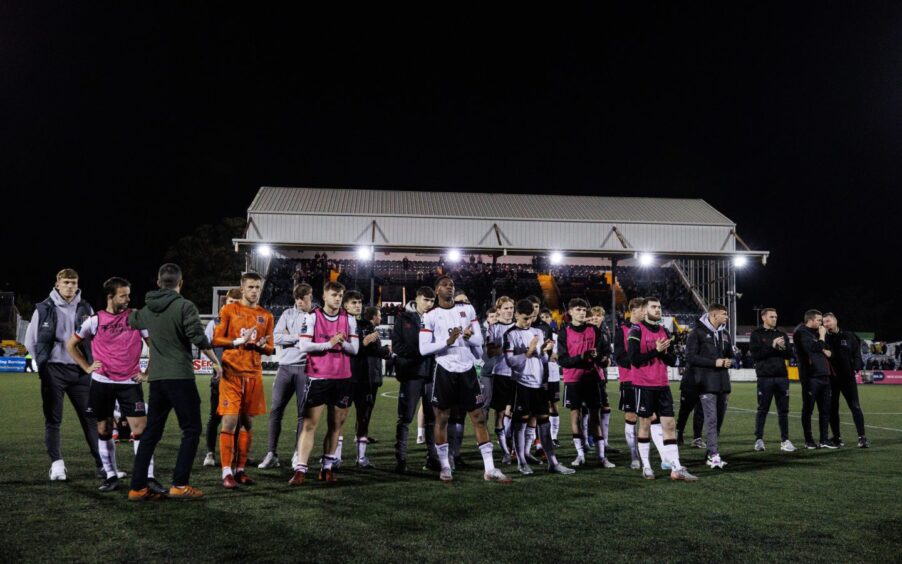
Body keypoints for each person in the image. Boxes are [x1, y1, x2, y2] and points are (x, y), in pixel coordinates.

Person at [127, 263, 222, 500]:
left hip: (158, 379)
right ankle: (180, 485)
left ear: (158, 282)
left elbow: (131, 320)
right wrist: (215, 362)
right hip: (180, 377)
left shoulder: (147, 310)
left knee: (151, 433)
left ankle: (137, 488)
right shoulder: (184, 306)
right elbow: (197, 337)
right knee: (191, 430)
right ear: (180, 283)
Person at [65, 277, 162, 493]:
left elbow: (154, 344)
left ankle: (147, 476)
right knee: (104, 428)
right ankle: (110, 475)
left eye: (128, 294)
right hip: (102, 382)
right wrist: (86, 366)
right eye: (123, 295)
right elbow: (71, 344)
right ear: (111, 296)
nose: (128, 299)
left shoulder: (136, 318)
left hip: (130, 382)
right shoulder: (94, 320)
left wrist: (147, 372)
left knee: (141, 430)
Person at [418, 276, 511, 483]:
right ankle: (445, 466)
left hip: (467, 369)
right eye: (445, 285)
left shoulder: (467, 310)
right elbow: (423, 348)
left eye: (451, 285)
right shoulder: (430, 315)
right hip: (444, 369)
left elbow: (479, 341)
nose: (449, 288)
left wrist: (469, 337)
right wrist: (447, 341)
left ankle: (489, 469)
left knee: (478, 417)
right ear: (437, 291)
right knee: (442, 418)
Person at [25, 268, 102, 481]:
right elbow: (30, 341)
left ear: (78, 285)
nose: (70, 286)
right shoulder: (43, 308)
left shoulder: (86, 307)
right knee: (53, 419)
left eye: (74, 282)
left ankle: (102, 464)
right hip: (54, 370)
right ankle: (57, 464)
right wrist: (44, 365)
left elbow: (95, 339)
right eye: (66, 282)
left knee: (90, 418)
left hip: (80, 371)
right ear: (57, 284)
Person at [289, 281, 359, 485]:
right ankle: (301, 468)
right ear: (325, 296)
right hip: (318, 377)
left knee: (335, 426)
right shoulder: (312, 317)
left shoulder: (349, 320)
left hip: (342, 377)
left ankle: (327, 467)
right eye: (334, 295)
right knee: (310, 425)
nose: (337, 298)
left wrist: (341, 342)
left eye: (340, 295)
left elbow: (354, 349)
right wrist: (329, 344)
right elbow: (303, 345)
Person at [211, 272, 274, 489]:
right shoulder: (229, 310)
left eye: (258, 287)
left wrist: (261, 345)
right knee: (229, 421)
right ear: (242, 287)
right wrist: (239, 341)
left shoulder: (266, 316)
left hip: (253, 375)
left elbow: (271, 348)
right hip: (231, 374)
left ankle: (240, 470)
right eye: (251, 287)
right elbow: (216, 339)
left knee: (247, 423)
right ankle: (226, 472)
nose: (255, 291)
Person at [629, 297, 697, 481]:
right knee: (644, 425)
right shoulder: (636, 330)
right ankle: (647, 466)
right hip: (643, 385)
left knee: (669, 425)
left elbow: (667, 359)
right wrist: (656, 351)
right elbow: (634, 359)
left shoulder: (664, 331)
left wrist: (674, 358)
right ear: (644, 311)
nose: (658, 309)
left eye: (659, 306)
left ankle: (676, 468)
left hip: (662, 385)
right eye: (653, 307)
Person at [504, 299, 574, 475]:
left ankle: (553, 462)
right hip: (521, 384)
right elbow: (510, 362)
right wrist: (528, 352)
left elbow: (542, 360)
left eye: (532, 318)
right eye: (526, 318)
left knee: (544, 423)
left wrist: (544, 350)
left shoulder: (537, 331)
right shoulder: (510, 334)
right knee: (520, 424)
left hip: (539, 384)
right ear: (517, 315)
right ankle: (521, 461)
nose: (529, 321)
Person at [259, 283, 314, 470]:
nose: (299, 301)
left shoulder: (315, 315)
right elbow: (276, 337)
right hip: (284, 368)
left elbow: (313, 341)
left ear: (310, 296)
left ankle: (298, 454)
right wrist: (299, 338)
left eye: (302, 297)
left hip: (305, 369)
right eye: (297, 298)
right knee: (275, 411)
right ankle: (271, 454)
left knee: (302, 414)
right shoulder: (287, 314)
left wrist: (292, 337)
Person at [556, 298, 610, 468]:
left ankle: (601, 457)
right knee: (575, 416)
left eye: (583, 309)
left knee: (595, 417)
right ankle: (580, 454)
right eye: (578, 309)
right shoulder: (564, 332)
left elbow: (604, 357)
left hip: (592, 378)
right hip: (573, 379)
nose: (581, 312)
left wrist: (598, 357)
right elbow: (563, 360)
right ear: (570, 312)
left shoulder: (594, 330)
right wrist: (581, 357)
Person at [392, 287, 437, 473]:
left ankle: (433, 458)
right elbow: (397, 346)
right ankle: (401, 460)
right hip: (411, 374)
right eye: (426, 300)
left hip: (432, 374)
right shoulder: (403, 318)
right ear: (417, 298)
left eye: (432, 301)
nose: (429, 304)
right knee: (405, 418)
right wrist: (421, 352)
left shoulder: (436, 318)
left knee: (432, 418)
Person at [345, 293, 391, 468]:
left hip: (364, 378)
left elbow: (372, 351)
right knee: (339, 417)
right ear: (345, 305)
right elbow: (344, 349)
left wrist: (369, 346)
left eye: (359, 302)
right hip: (347, 376)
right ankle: (333, 456)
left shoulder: (367, 326)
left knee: (363, 416)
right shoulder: (339, 323)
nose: (358, 305)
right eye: (353, 302)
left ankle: (361, 457)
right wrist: (362, 344)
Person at [684, 304, 733, 469]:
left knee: (718, 421)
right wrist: (715, 362)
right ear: (714, 315)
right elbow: (690, 357)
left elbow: (730, 355)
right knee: (711, 420)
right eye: (724, 314)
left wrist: (730, 360)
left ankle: (711, 452)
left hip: (723, 384)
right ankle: (713, 455)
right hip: (705, 383)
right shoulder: (696, 333)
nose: (727, 316)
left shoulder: (725, 334)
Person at [202, 288, 243, 467]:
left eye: (237, 303)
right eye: (231, 302)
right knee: (215, 416)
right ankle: (210, 453)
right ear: (225, 303)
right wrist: (214, 364)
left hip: (240, 377)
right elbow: (205, 346)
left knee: (239, 417)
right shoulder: (215, 323)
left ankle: (235, 455)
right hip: (221, 377)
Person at [749, 308, 795, 452]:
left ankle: (785, 440)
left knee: (783, 411)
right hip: (765, 377)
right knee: (762, 409)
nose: (775, 319)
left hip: (782, 377)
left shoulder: (781, 334)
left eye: (776, 316)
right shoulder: (756, 334)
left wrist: (782, 348)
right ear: (763, 318)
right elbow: (756, 356)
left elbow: (789, 355)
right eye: (771, 317)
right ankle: (759, 440)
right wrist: (772, 346)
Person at [823, 313, 869, 448]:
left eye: (828, 321)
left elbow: (857, 354)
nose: (826, 324)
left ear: (835, 320)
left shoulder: (849, 336)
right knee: (833, 409)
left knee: (855, 406)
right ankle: (837, 438)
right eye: (824, 322)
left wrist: (856, 367)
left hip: (848, 379)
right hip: (831, 379)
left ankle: (862, 437)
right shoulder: (824, 338)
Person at [793, 310, 837, 450]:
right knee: (808, 409)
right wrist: (822, 337)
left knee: (825, 410)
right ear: (810, 320)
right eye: (819, 320)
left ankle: (824, 439)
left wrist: (826, 348)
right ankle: (808, 440)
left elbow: (829, 351)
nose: (821, 323)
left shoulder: (816, 332)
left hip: (824, 375)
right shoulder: (801, 332)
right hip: (810, 376)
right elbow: (813, 348)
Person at [487, 296, 516, 464]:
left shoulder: (520, 327)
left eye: (511, 307)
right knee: (499, 414)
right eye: (505, 308)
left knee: (515, 414)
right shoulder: (494, 329)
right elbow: (490, 352)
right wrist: (503, 346)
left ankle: (514, 448)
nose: (509, 310)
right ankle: (506, 451)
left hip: (518, 375)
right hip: (501, 374)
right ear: (498, 311)